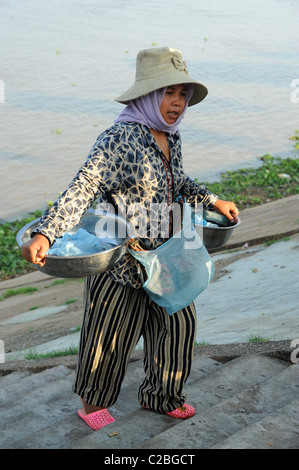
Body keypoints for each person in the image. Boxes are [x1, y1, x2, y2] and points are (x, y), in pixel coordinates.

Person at [21, 47, 239, 430]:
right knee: (109, 337)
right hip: (121, 260)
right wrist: (46, 232)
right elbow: (84, 187)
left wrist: (212, 200)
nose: (176, 103)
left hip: (167, 256)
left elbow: (177, 182)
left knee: (177, 328)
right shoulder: (120, 137)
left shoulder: (171, 136)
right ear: (147, 95)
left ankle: (162, 395)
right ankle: (92, 405)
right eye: (168, 93)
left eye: (182, 94)